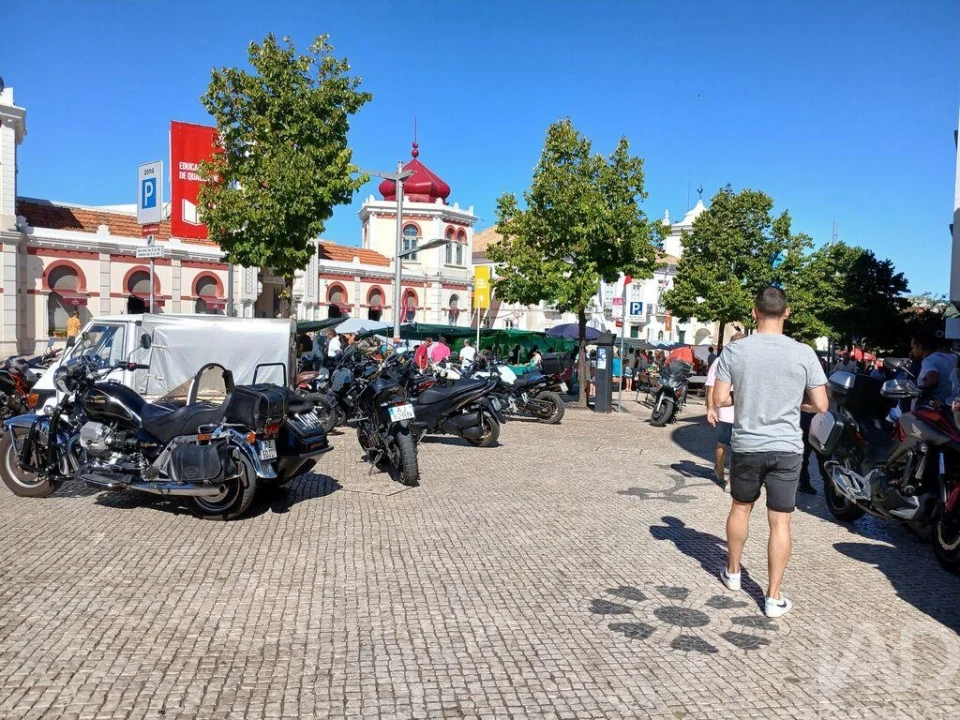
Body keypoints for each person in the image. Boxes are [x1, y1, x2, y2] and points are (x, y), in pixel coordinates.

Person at [712, 287, 828, 618]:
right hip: (787, 448)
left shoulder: (735, 352)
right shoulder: (804, 353)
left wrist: (743, 400)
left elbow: (720, 400)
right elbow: (820, 405)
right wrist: (796, 403)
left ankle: (733, 573)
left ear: (754, 312)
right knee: (780, 523)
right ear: (787, 313)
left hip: (747, 444)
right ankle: (773, 597)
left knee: (740, 508)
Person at [705, 333, 745, 492]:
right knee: (729, 444)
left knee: (729, 444)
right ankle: (724, 474)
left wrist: (710, 408)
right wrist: (710, 408)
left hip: (735, 410)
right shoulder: (722, 361)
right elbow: (711, 386)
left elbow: (710, 386)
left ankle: (726, 474)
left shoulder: (720, 361)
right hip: (730, 410)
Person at [911, 329, 957, 404]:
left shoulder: (928, 361)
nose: (912, 351)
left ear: (919, 346)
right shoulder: (951, 357)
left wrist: (920, 400)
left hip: (935, 407)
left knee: (905, 416)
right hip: (951, 405)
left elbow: (932, 377)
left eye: (913, 347)